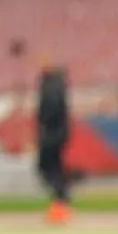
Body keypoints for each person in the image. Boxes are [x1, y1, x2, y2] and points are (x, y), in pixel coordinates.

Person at [35, 63, 72, 223]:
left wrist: (44, 130)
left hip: (51, 133)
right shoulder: (59, 87)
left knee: (47, 167)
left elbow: (48, 112)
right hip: (59, 132)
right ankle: (61, 199)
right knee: (55, 166)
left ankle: (60, 198)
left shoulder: (50, 88)